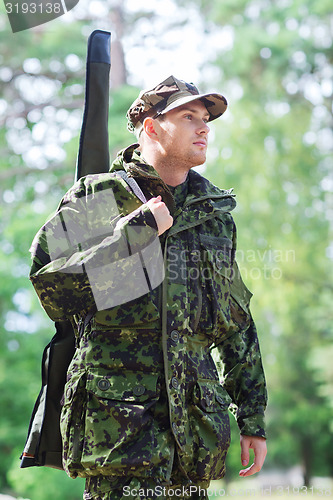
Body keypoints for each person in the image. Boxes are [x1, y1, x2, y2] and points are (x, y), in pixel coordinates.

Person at [29, 75, 267, 500]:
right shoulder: (99, 197)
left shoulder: (214, 216)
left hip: (193, 441)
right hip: (120, 439)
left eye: (207, 118)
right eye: (189, 116)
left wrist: (252, 417)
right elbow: (53, 289)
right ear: (152, 128)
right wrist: (135, 234)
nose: (204, 127)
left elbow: (235, 322)